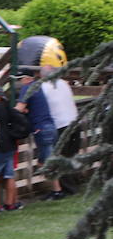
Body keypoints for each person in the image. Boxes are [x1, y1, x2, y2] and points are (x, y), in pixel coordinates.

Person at [17, 68, 61, 200]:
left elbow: (19, 108)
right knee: (45, 162)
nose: (20, 82)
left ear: (27, 79)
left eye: (20, 79)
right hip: (50, 127)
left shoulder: (27, 88)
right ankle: (54, 190)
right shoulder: (38, 87)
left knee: (45, 163)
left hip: (41, 129)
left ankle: (57, 191)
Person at [41, 65, 78, 198]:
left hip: (60, 125)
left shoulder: (44, 87)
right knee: (70, 155)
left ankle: (67, 188)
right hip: (74, 122)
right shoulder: (63, 83)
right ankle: (72, 185)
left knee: (60, 157)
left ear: (43, 75)